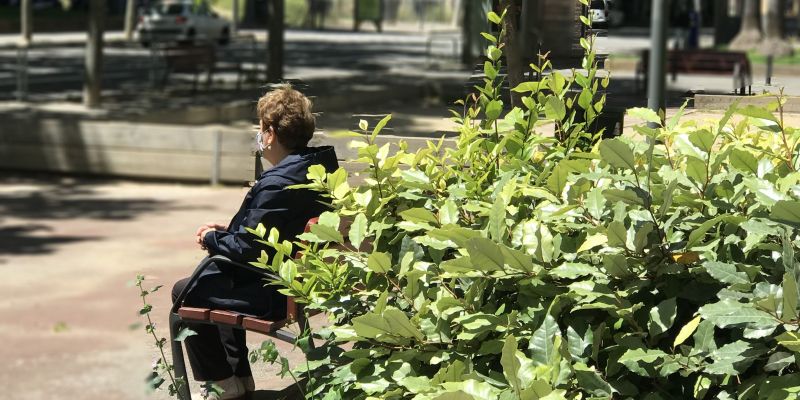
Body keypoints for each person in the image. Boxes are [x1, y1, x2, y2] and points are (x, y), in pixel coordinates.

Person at [171, 86, 339, 400]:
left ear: (271, 133)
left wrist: (211, 238)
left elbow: (250, 250)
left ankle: (224, 384)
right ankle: (239, 379)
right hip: (305, 281)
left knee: (187, 291)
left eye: (260, 129)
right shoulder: (320, 168)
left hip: (277, 292)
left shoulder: (278, 182)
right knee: (214, 280)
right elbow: (272, 230)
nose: (259, 136)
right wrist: (226, 233)